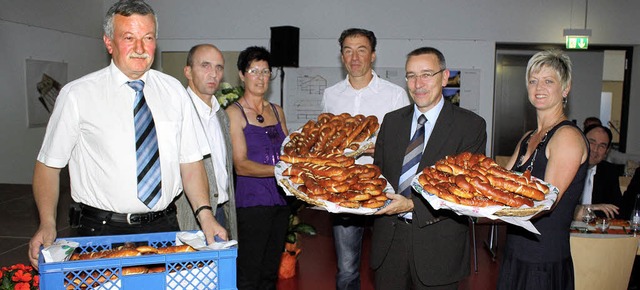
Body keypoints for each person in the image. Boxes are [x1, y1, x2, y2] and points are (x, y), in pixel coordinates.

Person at [27, 0, 226, 268]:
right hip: (101, 232)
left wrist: (206, 216)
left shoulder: (174, 92)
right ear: (109, 43)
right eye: (129, 38)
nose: (140, 48)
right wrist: (47, 223)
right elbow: (48, 166)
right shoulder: (78, 95)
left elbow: (190, 162)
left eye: (148, 38)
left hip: (165, 228)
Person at [372, 47, 487, 290]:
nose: (418, 83)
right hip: (389, 243)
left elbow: (465, 190)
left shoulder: (470, 126)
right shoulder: (391, 122)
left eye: (426, 74)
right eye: (411, 76)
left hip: (438, 245)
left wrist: (413, 204)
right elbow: (378, 175)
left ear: (445, 77)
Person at [321, 28, 410, 290]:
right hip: (344, 189)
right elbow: (327, 142)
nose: (355, 57)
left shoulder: (395, 95)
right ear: (341, 57)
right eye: (348, 50)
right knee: (347, 269)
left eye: (361, 50)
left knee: (388, 264)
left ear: (373, 55)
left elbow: (406, 144)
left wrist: (379, 148)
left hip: (386, 188)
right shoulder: (331, 94)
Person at [497, 50, 589, 290]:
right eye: (533, 80)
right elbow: (498, 185)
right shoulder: (528, 137)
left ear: (565, 88)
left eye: (549, 81)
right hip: (515, 253)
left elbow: (543, 204)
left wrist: (487, 210)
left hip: (542, 262)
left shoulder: (567, 136)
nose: (539, 87)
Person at [226, 46, 289, 290]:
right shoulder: (234, 113)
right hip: (252, 204)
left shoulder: (277, 110)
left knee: (270, 272)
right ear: (242, 75)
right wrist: (281, 171)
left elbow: (289, 152)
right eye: (254, 71)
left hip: (281, 202)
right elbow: (240, 165)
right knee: (250, 272)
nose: (261, 77)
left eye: (265, 71)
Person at [176, 44, 238, 239]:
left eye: (219, 67)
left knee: (224, 270)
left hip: (223, 211)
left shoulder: (222, 115)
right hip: (189, 216)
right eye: (205, 66)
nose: (213, 74)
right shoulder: (177, 113)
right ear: (188, 71)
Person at [574, 125, 622, 219]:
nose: (595, 150)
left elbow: (615, 210)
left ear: (607, 151)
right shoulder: (566, 167)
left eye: (602, 146)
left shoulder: (609, 172)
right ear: (581, 141)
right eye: (592, 142)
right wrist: (591, 208)